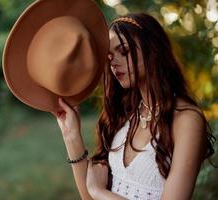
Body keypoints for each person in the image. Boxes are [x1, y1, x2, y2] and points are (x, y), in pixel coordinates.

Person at [51, 13, 216, 200]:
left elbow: (95, 193)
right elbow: (88, 197)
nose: (113, 62)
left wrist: (99, 192)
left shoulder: (186, 120)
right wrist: (70, 134)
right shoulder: (125, 114)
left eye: (124, 51)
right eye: (110, 56)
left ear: (153, 50)